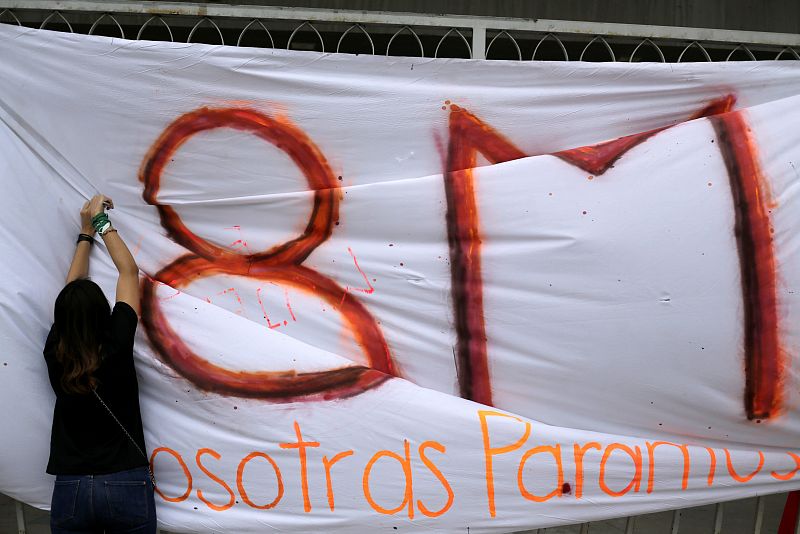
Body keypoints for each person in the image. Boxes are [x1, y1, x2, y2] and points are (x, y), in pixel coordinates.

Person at [43, 194, 156, 533]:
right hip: (125, 480)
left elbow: (71, 293)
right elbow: (128, 271)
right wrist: (100, 223)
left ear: (61, 318)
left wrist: (85, 235)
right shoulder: (116, 345)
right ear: (102, 313)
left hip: (72, 487)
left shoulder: (55, 353)